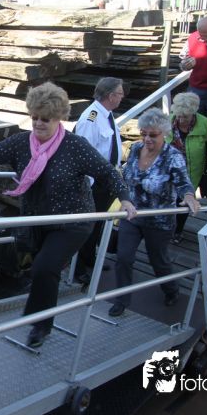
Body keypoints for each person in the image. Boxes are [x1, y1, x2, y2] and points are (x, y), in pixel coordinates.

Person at [0, 82, 135, 348]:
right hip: (37, 221)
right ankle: (37, 314)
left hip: (72, 221)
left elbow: (107, 172)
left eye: (46, 119)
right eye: (35, 118)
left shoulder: (75, 146)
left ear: (58, 118)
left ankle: (39, 326)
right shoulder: (22, 143)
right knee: (37, 268)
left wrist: (125, 198)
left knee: (45, 267)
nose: (39, 123)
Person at [109, 109, 200, 317]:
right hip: (132, 215)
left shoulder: (173, 157)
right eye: (144, 134)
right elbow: (125, 175)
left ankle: (171, 289)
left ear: (165, 133)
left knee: (158, 261)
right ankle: (121, 300)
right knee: (123, 258)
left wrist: (189, 196)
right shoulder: (135, 149)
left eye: (153, 135)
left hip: (159, 220)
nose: (147, 139)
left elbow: (183, 183)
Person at [73, 77, 125, 284]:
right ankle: (77, 269)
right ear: (111, 96)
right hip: (93, 183)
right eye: (120, 94)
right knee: (85, 225)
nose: (122, 97)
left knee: (96, 224)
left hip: (106, 179)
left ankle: (89, 258)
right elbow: (83, 152)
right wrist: (86, 185)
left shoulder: (106, 114)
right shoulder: (91, 117)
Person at [165, 92, 207, 244]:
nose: (181, 120)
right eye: (179, 116)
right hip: (169, 170)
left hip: (191, 170)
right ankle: (165, 229)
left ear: (194, 112)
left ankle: (177, 231)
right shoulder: (167, 122)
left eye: (185, 117)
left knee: (184, 200)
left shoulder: (205, 123)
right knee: (167, 199)